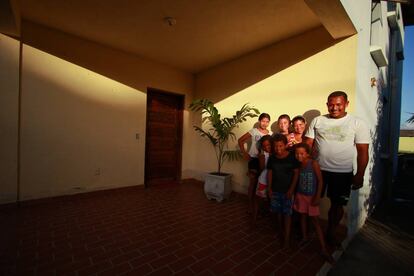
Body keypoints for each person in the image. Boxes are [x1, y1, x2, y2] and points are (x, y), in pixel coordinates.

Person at [305, 91, 369, 247]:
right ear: (327, 104)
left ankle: (331, 232)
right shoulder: (318, 120)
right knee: (310, 200)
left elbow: (363, 151)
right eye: (331, 104)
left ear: (346, 104)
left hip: (342, 173)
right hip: (317, 171)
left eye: (339, 104)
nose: (334, 108)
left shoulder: (357, 123)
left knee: (337, 206)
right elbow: (307, 145)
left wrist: (359, 175)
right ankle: (306, 228)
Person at [292, 143, 334, 263]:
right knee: (303, 217)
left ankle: (323, 248)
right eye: (296, 153)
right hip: (301, 195)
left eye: (301, 153)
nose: (299, 156)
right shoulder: (299, 165)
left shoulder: (313, 163)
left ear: (307, 154)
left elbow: (320, 181)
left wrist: (317, 197)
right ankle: (305, 237)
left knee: (315, 221)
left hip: (311, 197)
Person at [267, 134, 300, 248]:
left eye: (280, 146)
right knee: (278, 213)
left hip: (287, 192)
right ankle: (281, 231)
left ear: (285, 145)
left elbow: (296, 173)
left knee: (287, 214)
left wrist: (291, 190)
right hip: (275, 190)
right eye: (276, 146)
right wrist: (269, 188)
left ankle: (286, 239)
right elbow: (270, 173)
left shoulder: (292, 157)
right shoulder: (272, 158)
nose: (278, 149)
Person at [238, 113, 272, 214]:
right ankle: (250, 205)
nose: (265, 123)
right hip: (253, 160)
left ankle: (259, 206)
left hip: (265, 161)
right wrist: (244, 153)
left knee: (261, 184)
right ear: (259, 121)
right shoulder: (253, 131)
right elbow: (240, 140)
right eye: (263, 121)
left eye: (267, 121)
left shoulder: (270, 134)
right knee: (253, 183)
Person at [252, 135, 272, 224]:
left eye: (268, 145)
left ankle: (267, 216)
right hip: (263, 180)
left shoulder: (276, 153)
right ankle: (254, 217)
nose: (267, 147)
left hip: (273, 181)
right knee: (258, 199)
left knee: (269, 199)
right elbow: (262, 168)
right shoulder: (263, 155)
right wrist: (262, 158)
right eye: (264, 146)